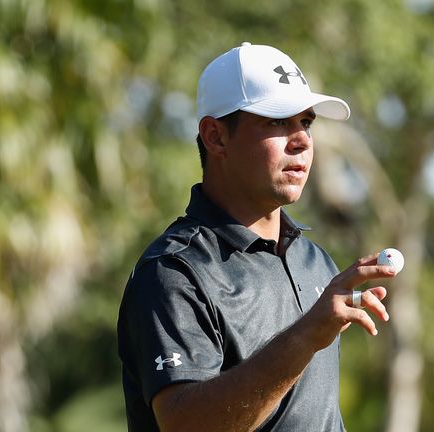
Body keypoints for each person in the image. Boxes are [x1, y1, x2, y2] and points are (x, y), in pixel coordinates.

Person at [117, 42, 397, 431]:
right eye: (277, 122)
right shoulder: (174, 271)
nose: (301, 140)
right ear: (215, 137)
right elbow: (185, 424)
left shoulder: (314, 261)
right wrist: (305, 336)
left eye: (306, 123)